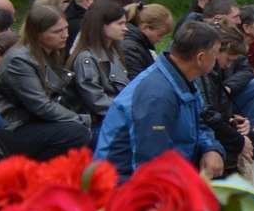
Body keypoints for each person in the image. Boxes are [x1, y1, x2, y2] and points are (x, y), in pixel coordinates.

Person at [93, 20, 226, 178]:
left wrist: (211, 148)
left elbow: (198, 123)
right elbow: (151, 166)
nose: (217, 57)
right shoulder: (157, 96)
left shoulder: (181, 79)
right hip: (122, 186)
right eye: (216, 52)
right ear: (200, 57)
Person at [0, 6, 94, 160]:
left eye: (65, 28)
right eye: (57, 31)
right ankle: (38, 176)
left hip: (33, 122)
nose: (65, 35)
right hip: (12, 128)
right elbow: (41, 106)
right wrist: (82, 119)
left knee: (86, 130)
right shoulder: (19, 60)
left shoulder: (50, 53)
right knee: (76, 133)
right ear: (37, 34)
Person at [198, 25, 254, 178]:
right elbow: (206, 113)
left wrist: (230, 119)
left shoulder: (213, 71)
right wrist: (238, 141)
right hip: (205, 135)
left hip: (210, 128)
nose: (229, 65)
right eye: (229, 59)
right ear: (217, 50)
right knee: (241, 147)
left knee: (245, 141)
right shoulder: (204, 73)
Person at [69, 0, 133, 121]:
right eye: (120, 23)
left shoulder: (114, 52)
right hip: (101, 122)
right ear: (102, 25)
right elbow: (97, 101)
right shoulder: (86, 59)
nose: (125, 28)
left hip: (118, 115)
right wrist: (133, 110)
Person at [121, 3, 172, 80]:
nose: (160, 40)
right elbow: (137, 82)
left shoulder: (139, 46)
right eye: (159, 35)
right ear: (145, 27)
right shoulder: (130, 48)